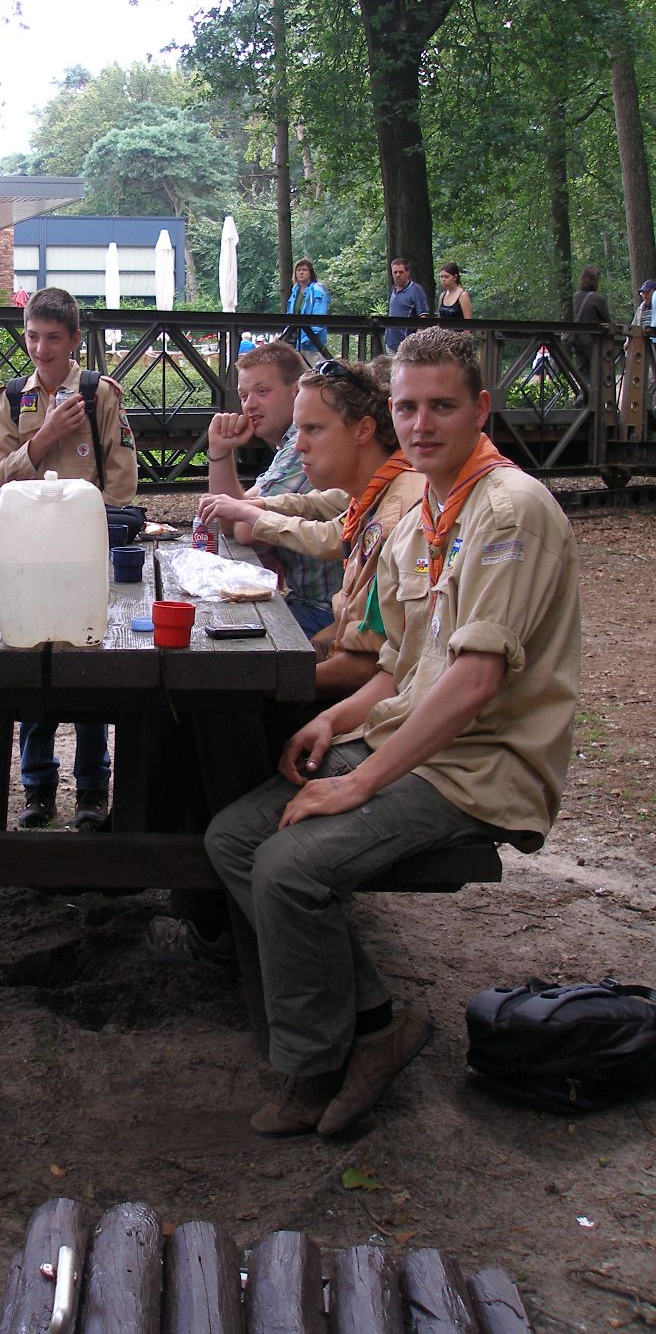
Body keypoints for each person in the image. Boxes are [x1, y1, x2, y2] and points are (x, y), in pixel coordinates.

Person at [205, 326, 580, 1138]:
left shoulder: (508, 509)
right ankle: (376, 1026)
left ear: (480, 408)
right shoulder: (426, 510)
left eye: (442, 406)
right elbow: (400, 667)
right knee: (233, 837)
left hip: (478, 764)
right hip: (410, 737)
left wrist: (359, 780)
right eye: (408, 407)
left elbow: (474, 683)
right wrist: (331, 719)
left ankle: (313, 1064)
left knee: (289, 866)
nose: (420, 424)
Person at [0, 285, 138, 832]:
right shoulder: (13, 398)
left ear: (74, 339)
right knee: (33, 660)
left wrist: (99, 534)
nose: (41, 349)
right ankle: (38, 786)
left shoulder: (99, 394)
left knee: (88, 659)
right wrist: (45, 436)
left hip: (84, 550)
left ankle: (93, 789)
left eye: (53, 338)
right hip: (30, 550)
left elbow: (121, 478)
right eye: (32, 337)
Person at [201, 357, 423, 696]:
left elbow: (375, 666)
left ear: (364, 430)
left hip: (358, 666)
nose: (299, 444)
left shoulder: (401, 509)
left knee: (221, 677)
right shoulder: (376, 486)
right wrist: (256, 506)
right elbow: (321, 506)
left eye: (313, 429)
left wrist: (271, 684)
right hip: (345, 640)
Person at [199, 342, 345, 639]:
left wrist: (245, 517)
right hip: (311, 603)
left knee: (217, 634)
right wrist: (220, 450)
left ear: (296, 391)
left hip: (325, 611)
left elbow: (243, 528)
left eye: (262, 391)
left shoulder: (299, 446)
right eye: (244, 396)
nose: (249, 405)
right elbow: (228, 518)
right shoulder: (288, 447)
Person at [571, 265, 611, 380]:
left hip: (577, 340)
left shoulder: (576, 297)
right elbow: (607, 321)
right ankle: (595, 392)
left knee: (584, 374)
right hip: (593, 342)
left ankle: (584, 392)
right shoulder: (599, 299)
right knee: (599, 374)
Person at [284, 258, 330, 356]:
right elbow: (290, 316)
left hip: (313, 344)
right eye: (298, 270)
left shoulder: (317, 290)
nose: (301, 272)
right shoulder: (295, 292)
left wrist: (307, 338)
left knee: (312, 365)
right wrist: (285, 335)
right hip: (296, 343)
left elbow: (319, 318)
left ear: (310, 273)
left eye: (304, 270)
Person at [384, 258, 431, 353]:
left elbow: (423, 316)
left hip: (407, 345)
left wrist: (416, 340)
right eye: (395, 272)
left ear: (408, 272)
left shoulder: (416, 290)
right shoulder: (393, 289)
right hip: (390, 343)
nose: (398, 275)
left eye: (401, 272)